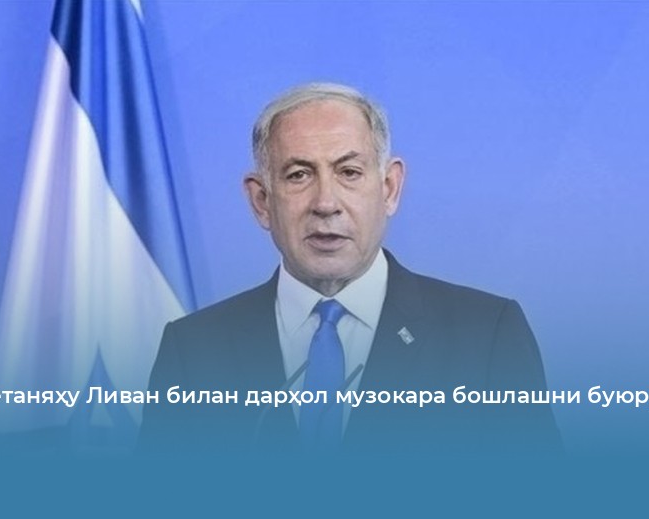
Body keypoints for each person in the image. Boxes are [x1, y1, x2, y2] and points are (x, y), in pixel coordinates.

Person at [137, 83, 561, 458]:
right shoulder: (192, 351)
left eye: (349, 172)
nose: (326, 203)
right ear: (261, 201)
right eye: (299, 175)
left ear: (389, 188)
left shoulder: (485, 337)